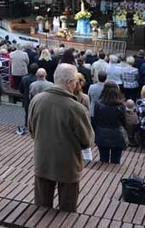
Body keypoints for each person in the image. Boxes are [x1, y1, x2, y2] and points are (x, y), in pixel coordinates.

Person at [28, 63, 94, 212]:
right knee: (66, 213)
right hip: (68, 166)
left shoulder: (37, 100)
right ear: (70, 83)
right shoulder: (77, 108)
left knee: (41, 210)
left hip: (43, 161)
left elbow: (32, 130)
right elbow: (87, 141)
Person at [93, 82, 127, 164]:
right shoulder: (121, 106)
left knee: (103, 160)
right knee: (116, 161)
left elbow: (95, 120)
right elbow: (124, 121)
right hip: (117, 135)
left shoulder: (98, 104)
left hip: (102, 134)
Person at [19, 63, 39, 133]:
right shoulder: (38, 80)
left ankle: (27, 125)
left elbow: (21, 90)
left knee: (27, 113)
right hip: (36, 99)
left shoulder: (24, 78)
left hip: (26, 99)